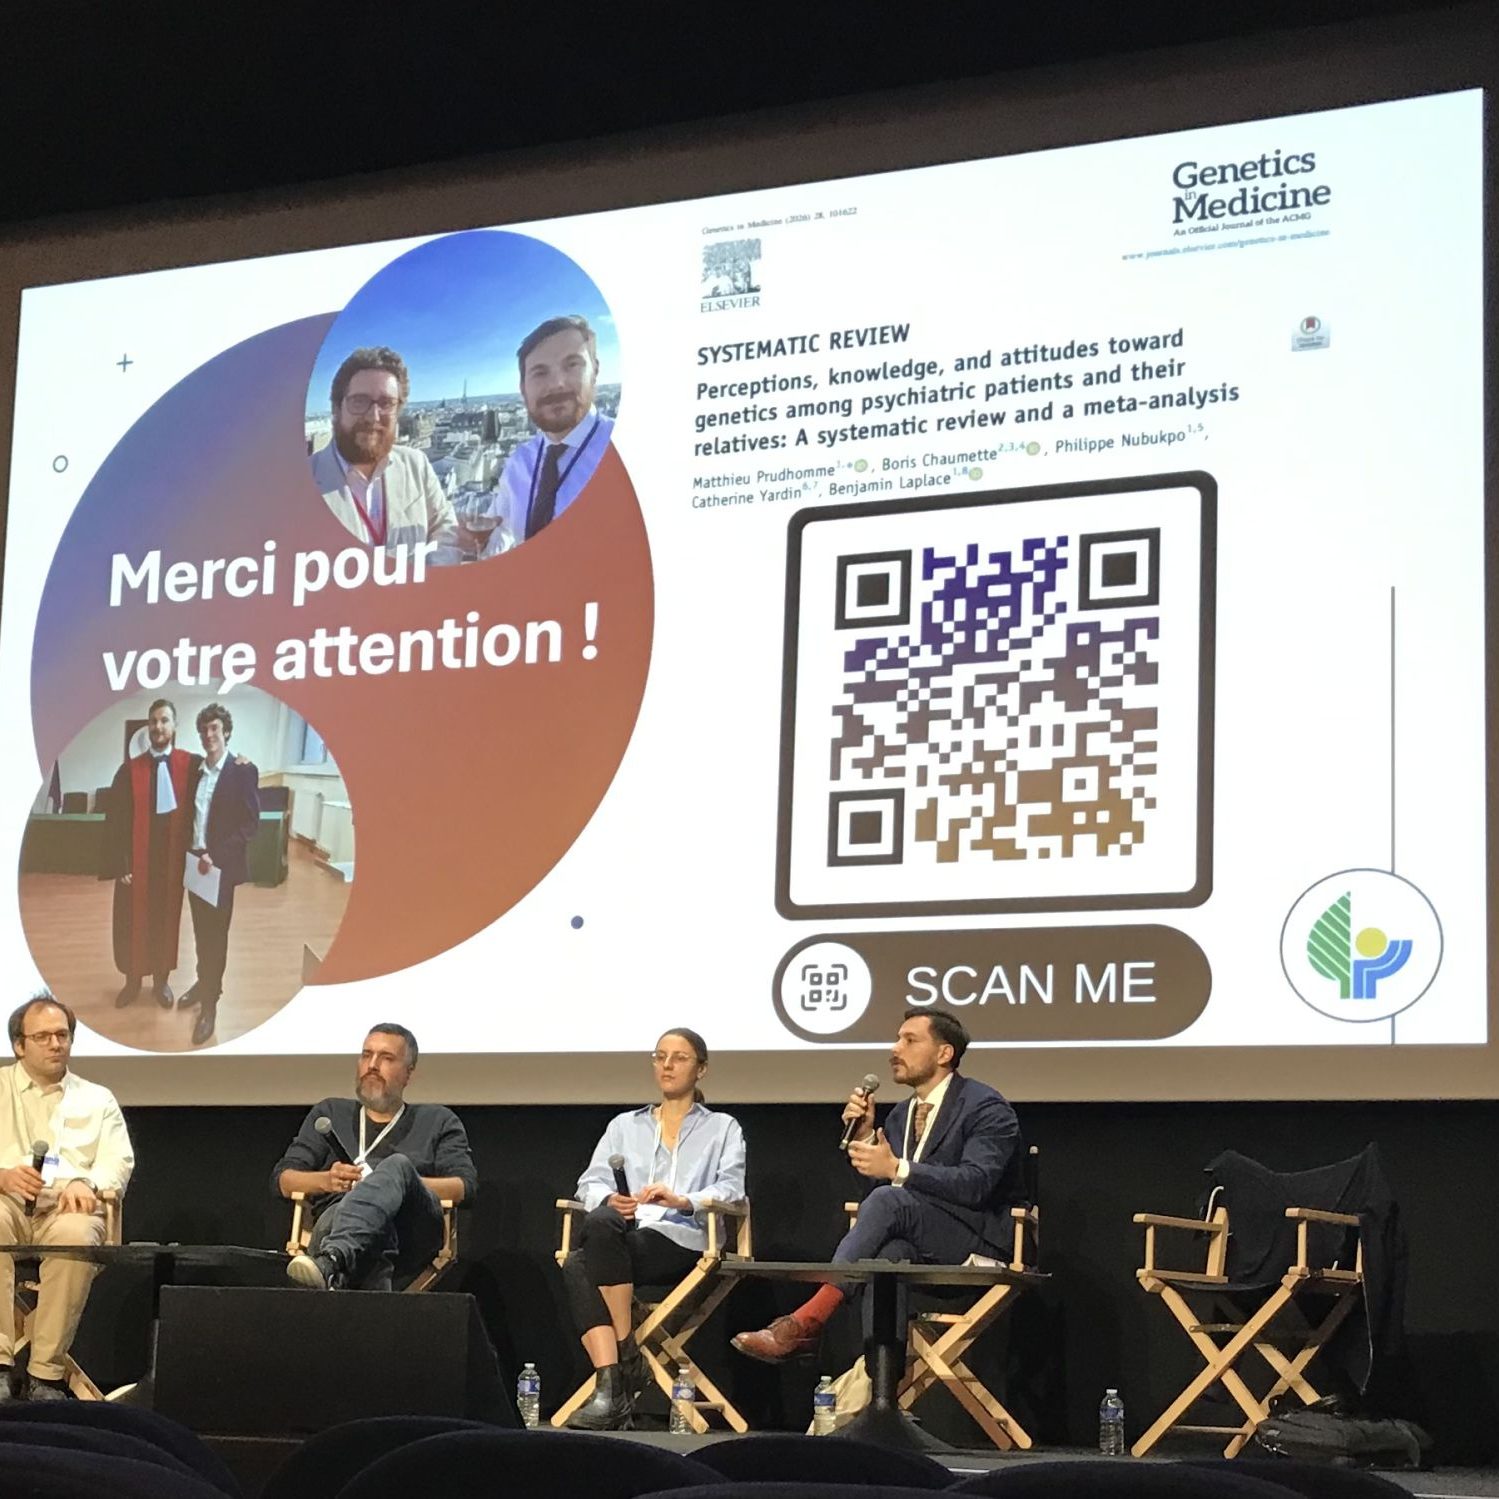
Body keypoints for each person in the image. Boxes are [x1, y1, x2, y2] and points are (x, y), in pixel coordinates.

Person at [731, 1009, 1022, 1363]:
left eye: (909, 1040)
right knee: (887, 1258)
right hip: (918, 1241)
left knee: (889, 1206)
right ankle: (881, 1382)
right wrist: (866, 1137)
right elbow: (880, 1200)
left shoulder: (985, 1107)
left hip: (976, 1241)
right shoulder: (900, 1114)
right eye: (897, 1039)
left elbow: (976, 1184)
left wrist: (898, 1168)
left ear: (944, 1053)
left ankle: (809, 1320)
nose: (895, 1049)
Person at [564, 1028, 745, 1430]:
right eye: (660, 1056)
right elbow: (590, 1183)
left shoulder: (723, 1128)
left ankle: (620, 1372)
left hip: (685, 1240)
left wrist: (681, 1200)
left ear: (701, 1069)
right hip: (625, 1238)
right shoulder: (624, 1126)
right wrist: (609, 1199)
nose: (667, 1065)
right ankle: (618, 1373)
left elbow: (732, 1189)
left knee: (579, 1264)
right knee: (600, 1224)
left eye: (679, 1057)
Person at [0, 993, 134, 1401]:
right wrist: (3, 1177)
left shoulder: (97, 1098)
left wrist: (87, 1183)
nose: (55, 1044)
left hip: (67, 1206)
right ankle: (0, 1365)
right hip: (6, 1200)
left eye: (62, 1035)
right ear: (19, 1045)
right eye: (42, 1037)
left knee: (75, 1236)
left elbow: (119, 1160)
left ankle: (46, 1373)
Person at [272, 1024, 476, 1290]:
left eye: (386, 1058)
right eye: (366, 1055)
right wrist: (327, 1180)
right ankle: (341, 1267)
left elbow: (465, 1187)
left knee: (397, 1166)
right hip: (336, 1221)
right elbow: (283, 1180)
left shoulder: (438, 1121)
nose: (372, 1065)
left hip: (411, 1233)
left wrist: (397, 1182)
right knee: (376, 1231)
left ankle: (333, 1259)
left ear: (409, 1073)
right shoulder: (330, 1113)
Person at [480, 315, 615, 553]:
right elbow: (498, 533)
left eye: (571, 365)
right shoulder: (520, 463)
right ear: (523, 388)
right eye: (540, 373)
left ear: (595, 370)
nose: (556, 383)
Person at [311, 346, 461, 559]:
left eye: (386, 403)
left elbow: (445, 525)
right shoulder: (300, 483)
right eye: (359, 401)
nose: (373, 416)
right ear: (336, 409)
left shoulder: (416, 464)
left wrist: (431, 570)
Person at [99, 698, 195, 1009]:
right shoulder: (129, 770)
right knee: (131, 923)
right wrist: (121, 863)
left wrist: (241, 763)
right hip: (136, 865)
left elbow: (218, 784)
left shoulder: (190, 766)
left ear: (175, 725)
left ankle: (161, 981)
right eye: (153, 721)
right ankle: (132, 982)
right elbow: (115, 822)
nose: (158, 726)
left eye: (164, 720)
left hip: (170, 865)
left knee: (164, 922)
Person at [182, 702, 260, 1048]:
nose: (208, 735)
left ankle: (210, 1004)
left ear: (226, 732)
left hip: (220, 868)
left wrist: (218, 856)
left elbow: (250, 824)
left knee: (217, 936)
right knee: (201, 933)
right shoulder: (195, 772)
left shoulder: (242, 771)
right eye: (203, 730)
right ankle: (203, 983)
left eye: (214, 728)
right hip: (195, 866)